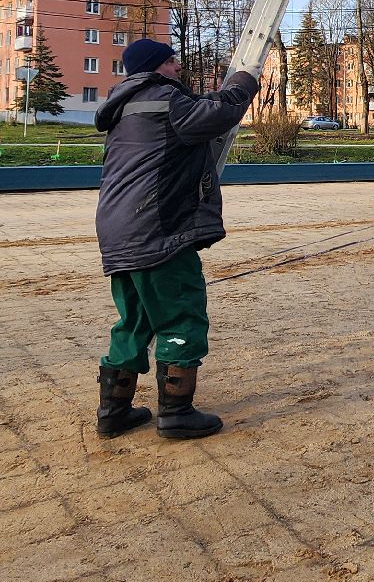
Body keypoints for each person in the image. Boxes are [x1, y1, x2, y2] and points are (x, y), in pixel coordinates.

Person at [93, 38, 258, 440]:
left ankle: (113, 410)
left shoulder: (123, 104)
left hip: (119, 228)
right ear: (154, 67)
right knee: (181, 313)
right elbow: (220, 111)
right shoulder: (163, 97)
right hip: (158, 227)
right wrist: (244, 80)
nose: (178, 67)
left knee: (135, 319)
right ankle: (176, 412)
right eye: (171, 61)